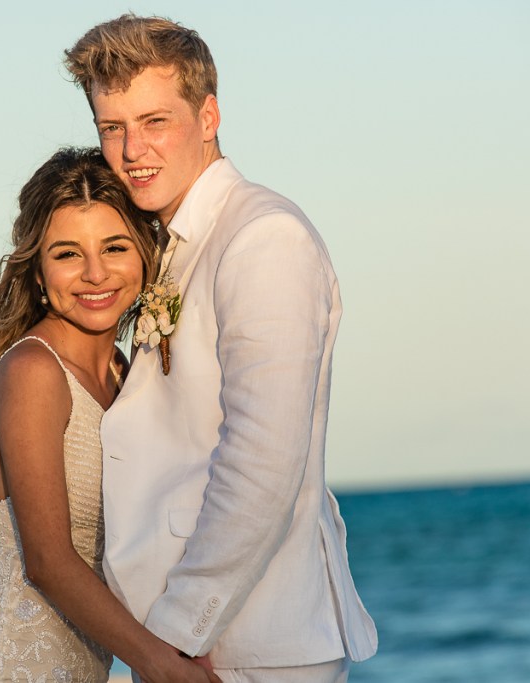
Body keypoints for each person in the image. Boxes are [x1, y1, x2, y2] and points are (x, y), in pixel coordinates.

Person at [64, 15, 379, 683]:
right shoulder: (178, 246)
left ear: (208, 116)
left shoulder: (263, 238)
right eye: (111, 128)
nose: (131, 150)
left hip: (252, 645)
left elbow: (262, 458)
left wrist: (176, 634)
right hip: (199, 644)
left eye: (154, 121)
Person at [0, 147, 222, 683]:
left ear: (143, 255)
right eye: (68, 254)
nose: (95, 274)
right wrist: (159, 662)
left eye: (113, 247)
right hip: (12, 667)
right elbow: (47, 561)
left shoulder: (125, 371)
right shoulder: (33, 371)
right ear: (38, 271)